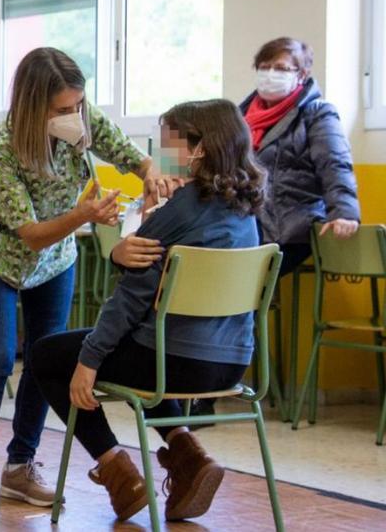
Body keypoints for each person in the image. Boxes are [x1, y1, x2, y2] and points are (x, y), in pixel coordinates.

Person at [30, 99, 267, 522]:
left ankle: (121, 475)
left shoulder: (179, 209)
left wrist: (89, 359)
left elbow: (130, 300)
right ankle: (188, 454)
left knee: (48, 355)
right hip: (233, 365)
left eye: (166, 142)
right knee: (147, 350)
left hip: (173, 362)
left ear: (198, 149)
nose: (157, 153)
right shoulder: (246, 208)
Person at [0, 47, 168, 517]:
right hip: (0, 258)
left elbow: (132, 156)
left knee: (43, 357)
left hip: (55, 260)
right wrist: (83, 215)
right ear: (33, 105)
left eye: (78, 105)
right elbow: (30, 235)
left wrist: (152, 173)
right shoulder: (1, 147)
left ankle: (20, 465)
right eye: (62, 110)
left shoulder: (83, 117)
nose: (74, 116)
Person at [184, 37, 361, 421]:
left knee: (232, 292)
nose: (272, 74)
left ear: (303, 73)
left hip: (289, 229)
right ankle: (195, 380)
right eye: (266, 66)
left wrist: (344, 210)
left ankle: (209, 389)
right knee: (196, 280)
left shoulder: (316, 114)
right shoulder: (240, 113)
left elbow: (336, 164)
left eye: (283, 68)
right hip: (244, 227)